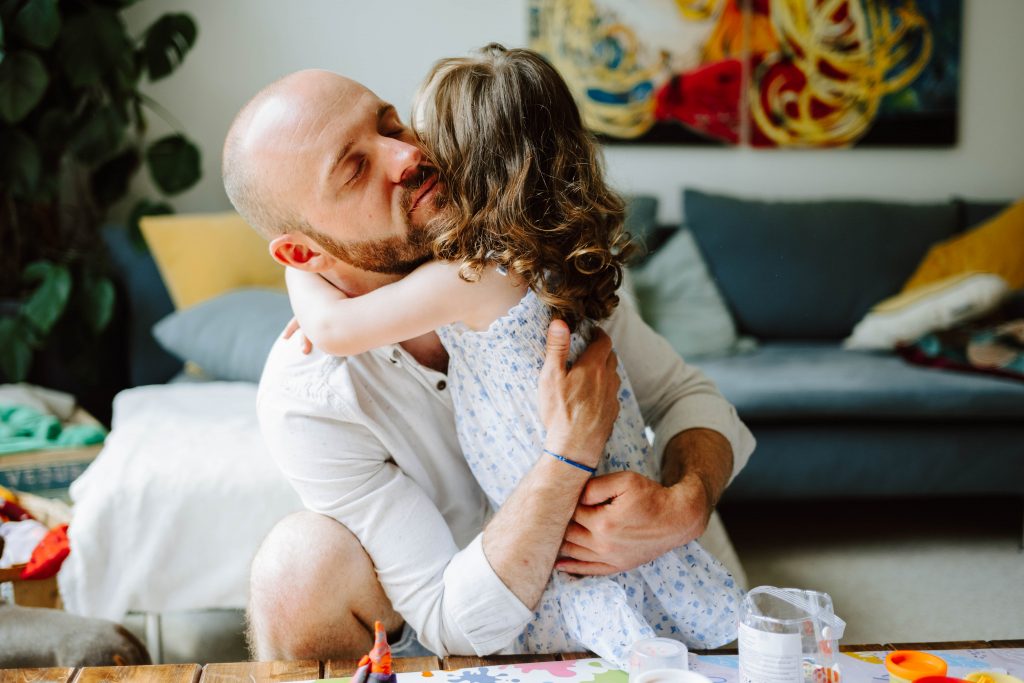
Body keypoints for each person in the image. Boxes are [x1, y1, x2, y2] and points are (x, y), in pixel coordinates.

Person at [221, 56, 755, 661]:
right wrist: (568, 454)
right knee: (292, 564)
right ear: (301, 251)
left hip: (640, 583)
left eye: (391, 125)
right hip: (465, 633)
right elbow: (448, 621)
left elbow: (686, 396)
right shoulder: (309, 398)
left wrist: (686, 503)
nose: (407, 156)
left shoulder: (532, 250)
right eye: (355, 168)